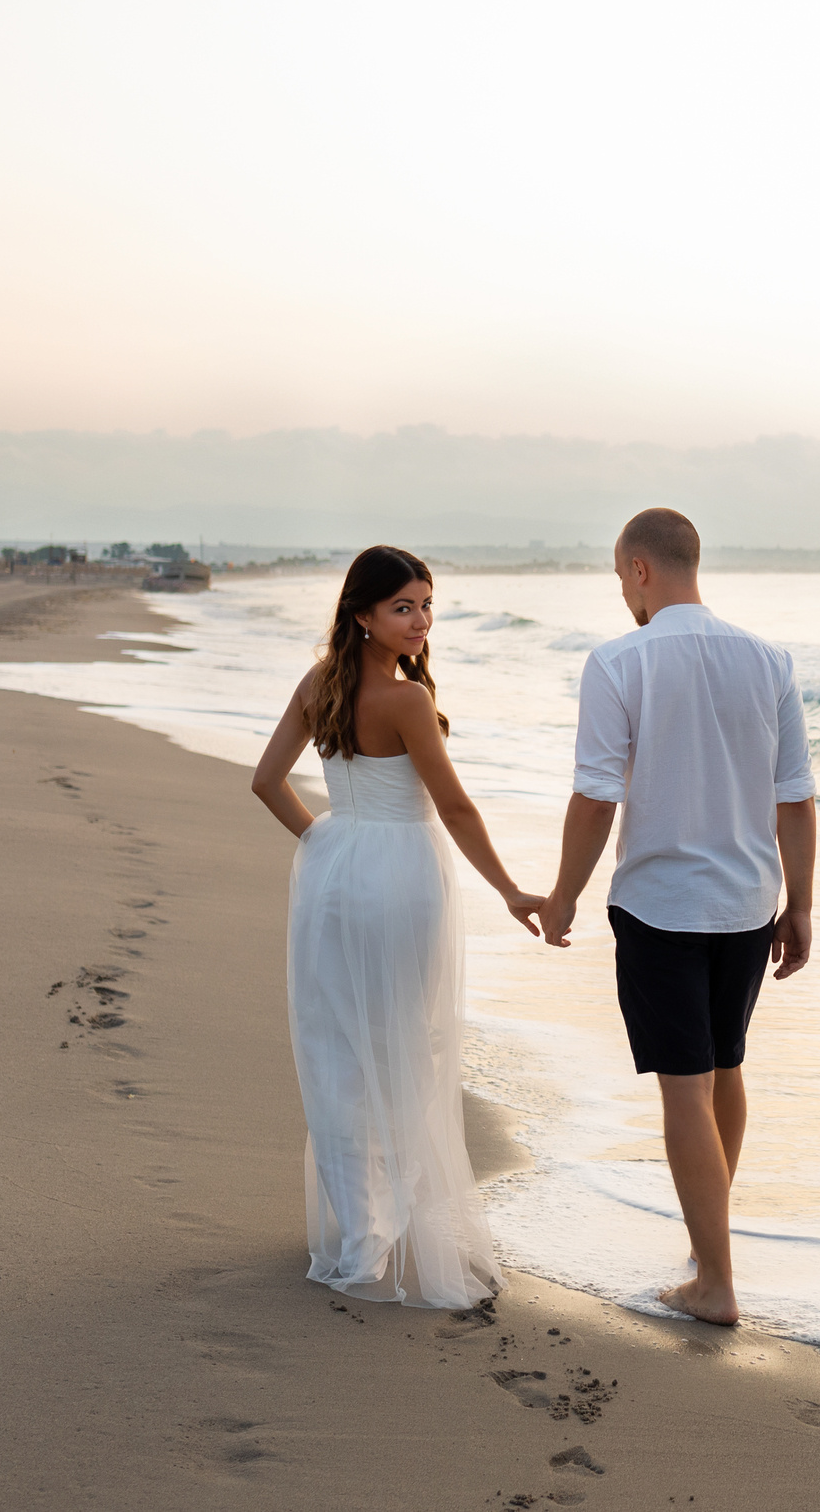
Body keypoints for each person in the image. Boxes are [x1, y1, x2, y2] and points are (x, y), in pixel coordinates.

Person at [536, 507, 816, 1326]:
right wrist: (801, 905)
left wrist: (564, 894)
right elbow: (793, 798)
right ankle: (708, 1244)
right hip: (745, 904)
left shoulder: (620, 660)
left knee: (685, 1090)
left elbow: (595, 797)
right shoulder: (769, 659)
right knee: (725, 1068)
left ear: (637, 568)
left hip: (660, 904)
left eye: (619, 575)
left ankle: (716, 1283)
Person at [249, 544, 544, 1309]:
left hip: (333, 868)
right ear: (363, 615)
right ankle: (395, 1216)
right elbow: (455, 807)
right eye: (403, 607)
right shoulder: (408, 701)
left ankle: (361, 1233)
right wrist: (512, 889)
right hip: (404, 874)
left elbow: (266, 780)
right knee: (407, 1042)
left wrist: (324, 839)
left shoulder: (320, 686)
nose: (420, 620)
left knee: (336, 1045)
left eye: (425, 604)